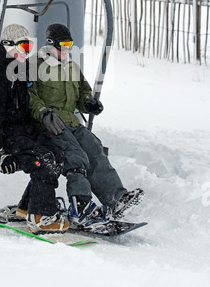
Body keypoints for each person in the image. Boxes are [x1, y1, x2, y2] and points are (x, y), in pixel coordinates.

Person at [28, 23, 144, 231]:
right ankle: (80, 205)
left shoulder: (71, 66)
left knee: (94, 149)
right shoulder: (35, 65)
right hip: (50, 125)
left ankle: (115, 199)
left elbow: (83, 90)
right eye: (62, 45)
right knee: (75, 157)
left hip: (72, 123)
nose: (66, 49)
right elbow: (28, 96)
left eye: (69, 45)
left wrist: (88, 102)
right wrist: (43, 112)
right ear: (50, 44)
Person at [0, 23, 69, 235]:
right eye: (24, 47)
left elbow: (23, 109)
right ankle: (41, 217)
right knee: (43, 160)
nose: (27, 52)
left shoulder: (17, 70)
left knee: (57, 154)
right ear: (7, 45)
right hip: (5, 137)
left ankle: (27, 207)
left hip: (21, 132)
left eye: (29, 47)